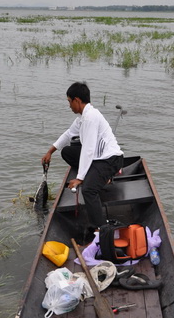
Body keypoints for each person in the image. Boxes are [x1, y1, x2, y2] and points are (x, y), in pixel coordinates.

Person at [42, 82, 124, 230]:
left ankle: (101, 229)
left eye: (69, 101)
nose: (69, 106)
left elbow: (88, 149)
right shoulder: (82, 117)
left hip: (110, 159)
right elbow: (68, 134)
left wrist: (80, 178)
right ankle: (94, 175)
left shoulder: (90, 117)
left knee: (88, 190)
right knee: (66, 151)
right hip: (97, 157)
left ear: (77, 101)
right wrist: (50, 151)